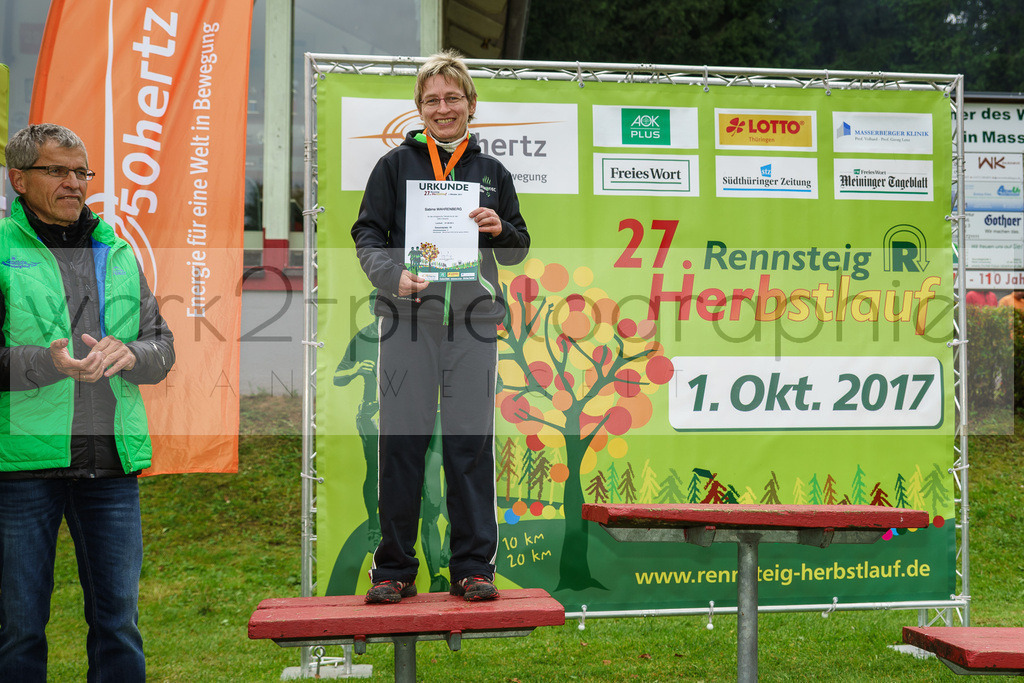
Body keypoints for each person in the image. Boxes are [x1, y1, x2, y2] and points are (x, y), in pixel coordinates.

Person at [351, 50, 529, 603]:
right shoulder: (393, 166)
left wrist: (499, 229)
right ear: (418, 109)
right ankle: (395, 569)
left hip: (473, 326)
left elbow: (519, 247)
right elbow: (367, 236)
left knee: (469, 446)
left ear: (471, 104)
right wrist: (391, 277)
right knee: (401, 444)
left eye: (453, 97)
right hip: (408, 323)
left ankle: (473, 567)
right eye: (432, 100)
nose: (443, 107)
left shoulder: (492, 171)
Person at [0, 123, 174, 682]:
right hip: (22, 466)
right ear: (18, 179)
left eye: (82, 172)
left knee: (118, 624)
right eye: (58, 171)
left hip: (110, 462)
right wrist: (46, 363)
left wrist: (133, 354)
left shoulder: (117, 250)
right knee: (19, 628)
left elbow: (162, 346)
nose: (74, 183)